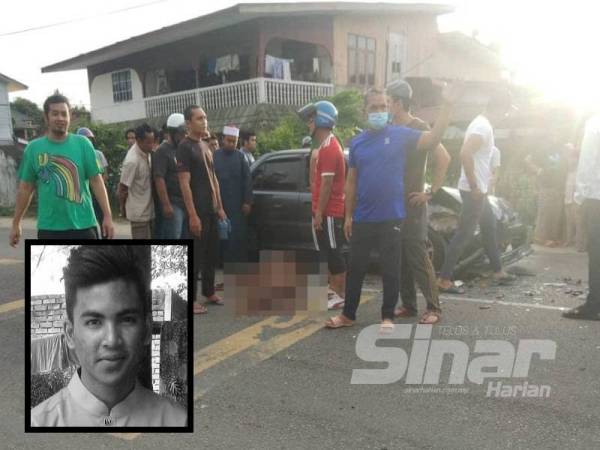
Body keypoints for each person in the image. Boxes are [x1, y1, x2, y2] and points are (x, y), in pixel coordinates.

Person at [325, 84, 461, 331]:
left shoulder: (401, 134)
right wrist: (348, 215)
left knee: (391, 269)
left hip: (393, 217)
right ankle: (348, 315)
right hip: (363, 217)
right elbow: (352, 181)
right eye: (374, 107)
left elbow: (433, 139)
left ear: (390, 108)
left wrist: (448, 106)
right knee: (356, 268)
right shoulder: (357, 143)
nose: (380, 111)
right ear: (364, 111)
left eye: (384, 107)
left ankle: (388, 316)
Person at [30, 245, 187, 427]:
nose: (112, 340)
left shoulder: (177, 421)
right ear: (70, 334)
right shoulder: (38, 422)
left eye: (126, 320)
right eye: (94, 322)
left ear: (146, 329)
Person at [437, 90, 516, 294]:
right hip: (474, 191)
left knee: (489, 226)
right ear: (499, 108)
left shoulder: (482, 124)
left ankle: (498, 271)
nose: (505, 117)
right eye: (505, 112)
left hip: (478, 190)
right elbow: (464, 153)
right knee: (463, 235)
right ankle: (444, 279)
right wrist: (474, 186)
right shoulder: (482, 126)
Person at [9, 94, 114, 245]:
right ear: (46, 117)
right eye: (55, 113)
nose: (60, 118)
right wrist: (16, 223)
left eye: (64, 114)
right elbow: (25, 189)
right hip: (50, 229)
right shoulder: (33, 149)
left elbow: (97, 182)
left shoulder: (83, 144)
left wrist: (107, 216)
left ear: (70, 117)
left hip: (83, 226)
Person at [386, 79, 450, 324]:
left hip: (412, 204)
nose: (386, 107)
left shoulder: (419, 127)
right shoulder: (390, 129)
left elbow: (444, 157)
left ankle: (434, 307)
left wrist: (430, 192)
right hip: (392, 204)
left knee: (418, 256)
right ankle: (409, 305)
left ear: (399, 103)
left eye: (389, 102)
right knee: (399, 256)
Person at [176, 105, 226, 314]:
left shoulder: (206, 145)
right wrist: (193, 215)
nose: (204, 121)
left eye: (205, 117)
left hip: (212, 210)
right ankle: (191, 299)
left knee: (211, 254)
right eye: (199, 118)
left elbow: (214, 178)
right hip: (198, 211)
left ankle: (209, 291)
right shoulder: (184, 148)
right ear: (188, 123)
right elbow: (184, 183)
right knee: (195, 256)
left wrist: (220, 207)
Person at [298, 100, 347, 310]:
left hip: (330, 212)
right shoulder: (324, 146)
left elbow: (327, 185)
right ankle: (331, 291)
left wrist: (319, 213)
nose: (308, 124)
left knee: (334, 252)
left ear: (321, 120)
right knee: (326, 251)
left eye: (311, 120)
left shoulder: (329, 148)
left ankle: (338, 294)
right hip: (323, 211)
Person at [562, 115, 600, 320]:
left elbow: (587, 161)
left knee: (597, 252)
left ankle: (595, 305)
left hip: (597, 197)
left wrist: (579, 195)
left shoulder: (594, 123)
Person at [213, 125, 252, 264]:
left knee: (237, 236)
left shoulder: (240, 156)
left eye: (234, 141)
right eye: (229, 140)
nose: (231, 143)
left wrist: (247, 202)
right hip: (220, 203)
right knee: (221, 235)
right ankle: (221, 263)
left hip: (237, 204)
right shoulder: (215, 156)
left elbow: (247, 180)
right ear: (223, 139)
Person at [524, 139, 567, 247]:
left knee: (555, 214)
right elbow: (527, 160)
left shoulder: (560, 153)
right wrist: (539, 171)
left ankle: (552, 237)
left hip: (557, 187)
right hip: (546, 187)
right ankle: (540, 238)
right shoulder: (541, 151)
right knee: (544, 213)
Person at [153, 113, 188, 239]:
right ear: (173, 133)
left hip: (185, 202)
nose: (184, 135)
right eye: (182, 133)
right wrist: (166, 204)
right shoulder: (162, 151)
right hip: (173, 204)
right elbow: (159, 179)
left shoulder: (183, 148)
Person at [119, 124, 155, 239]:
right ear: (139, 140)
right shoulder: (132, 161)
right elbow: (122, 188)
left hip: (151, 211)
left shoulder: (147, 153)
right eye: (148, 142)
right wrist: (122, 208)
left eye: (152, 141)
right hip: (138, 215)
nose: (151, 145)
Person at [76, 127, 109, 238]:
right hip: (83, 193)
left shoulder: (97, 154)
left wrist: (99, 187)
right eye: (85, 139)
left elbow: (103, 174)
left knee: (102, 217)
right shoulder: (75, 154)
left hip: (96, 192)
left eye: (90, 139)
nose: (87, 141)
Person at [563, 143, 586, 251]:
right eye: (568, 159)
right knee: (569, 223)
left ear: (576, 160)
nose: (569, 162)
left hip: (576, 201)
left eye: (572, 159)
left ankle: (581, 245)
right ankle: (569, 240)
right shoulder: (568, 173)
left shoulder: (579, 172)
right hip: (568, 200)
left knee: (579, 224)